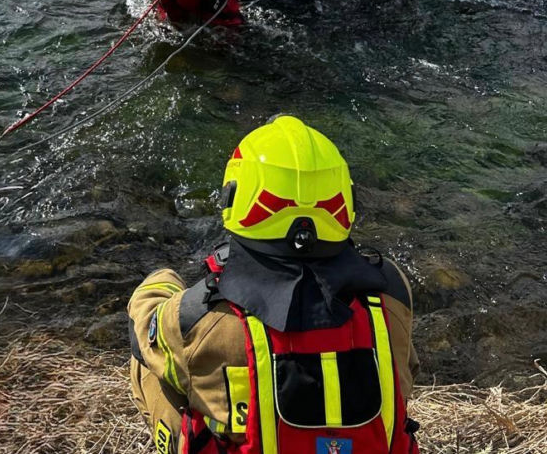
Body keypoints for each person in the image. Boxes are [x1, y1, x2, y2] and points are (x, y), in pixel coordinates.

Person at [128, 115, 420, 454]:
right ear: (345, 201)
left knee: (150, 355)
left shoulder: (202, 318)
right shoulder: (391, 290)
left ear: (235, 199)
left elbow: (144, 333)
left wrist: (157, 284)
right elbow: (407, 372)